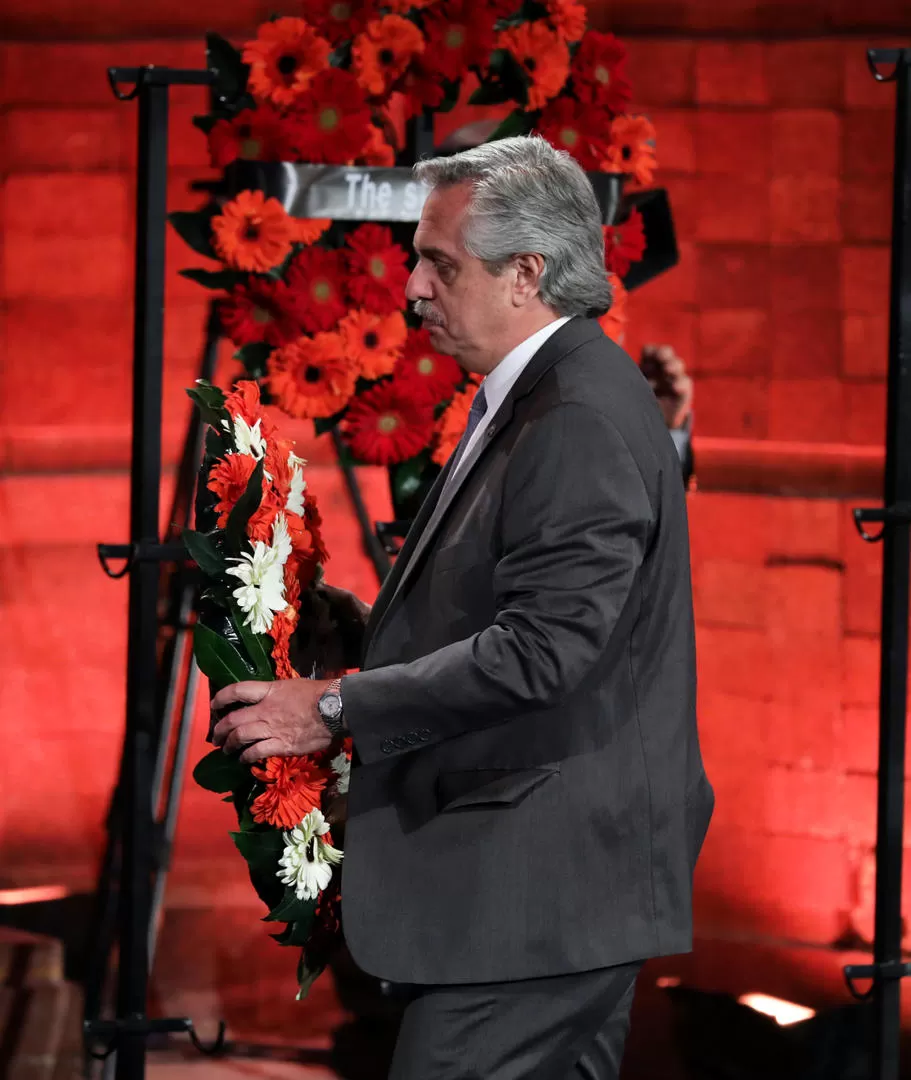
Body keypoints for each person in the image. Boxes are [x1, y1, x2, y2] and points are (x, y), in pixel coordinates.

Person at [212, 135, 714, 1080]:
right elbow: (525, 621)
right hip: (552, 889)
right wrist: (351, 629)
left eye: (439, 262)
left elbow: (544, 652)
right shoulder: (551, 392)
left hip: (539, 890)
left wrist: (328, 710)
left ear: (526, 274)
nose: (409, 288)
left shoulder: (573, 414)